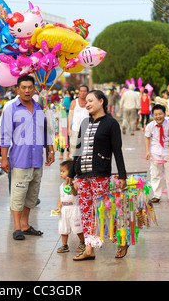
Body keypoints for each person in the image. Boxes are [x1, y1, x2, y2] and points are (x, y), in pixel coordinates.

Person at [66, 90, 127, 261]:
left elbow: (117, 151)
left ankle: (121, 240)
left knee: (104, 211)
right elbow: (77, 151)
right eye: (86, 101)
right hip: (82, 175)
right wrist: (71, 173)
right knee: (85, 212)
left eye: (91, 100)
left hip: (100, 174)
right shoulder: (84, 123)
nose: (87, 103)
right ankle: (89, 249)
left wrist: (122, 175)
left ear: (101, 101)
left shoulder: (111, 124)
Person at [0, 75, 55, 241]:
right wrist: (4, 158)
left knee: (32, 195)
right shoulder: (11, 108)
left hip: (37, 159)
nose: (27, 90)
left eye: (30, 87)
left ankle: (25, 224)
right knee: (18, 194)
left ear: (34, 89)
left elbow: (45, 131)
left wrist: (50, 150)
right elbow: (5, 135)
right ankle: (17, 227)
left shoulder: (38, 108)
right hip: (20, 160)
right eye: (23, 87)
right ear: (17, 89)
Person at [144, 104, 169, 203]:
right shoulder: (150, 126)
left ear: (164, 114)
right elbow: (147, 138)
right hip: (155, 153)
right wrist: (147, 151)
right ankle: (156, 195)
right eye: (156, 114)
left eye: (160, 114)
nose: (158, 116)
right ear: (153, 115)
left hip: (167, 152)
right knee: (155, 174)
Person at [53, 160, 85, 254]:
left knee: (77, 228)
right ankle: (64, 245)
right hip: (64, 210)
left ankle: (83, 242)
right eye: (60, 171)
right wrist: (59, 206)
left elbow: (75, 194)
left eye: (63, 171)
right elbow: (60, 196)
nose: (61, 174)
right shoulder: (61, 185)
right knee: (63, 228)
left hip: (74, 208)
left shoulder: (75, 183)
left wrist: (72, 187)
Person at [68, 84, 89, 156]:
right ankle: (74, 165)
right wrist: (68, 128)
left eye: (84, 91)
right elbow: (70, 116)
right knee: (73, 151)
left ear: (87, 92)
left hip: (86, 130)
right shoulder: (74, 102)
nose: (82, 93)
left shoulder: (89, 103)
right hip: (75, 129)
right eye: (81, 91)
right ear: (79, 92)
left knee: (85, 151)